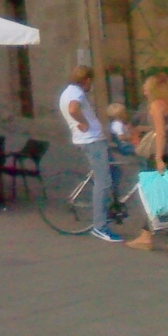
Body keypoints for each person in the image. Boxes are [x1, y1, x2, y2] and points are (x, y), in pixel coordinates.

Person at [126, 73, 168, 252]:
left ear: (154, 89)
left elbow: (161, 133)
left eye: (146, 87)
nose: (144, 90)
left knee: (152, 195)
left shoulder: (155, 105)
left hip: (165, 154)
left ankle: (146, 237)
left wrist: (158, 158)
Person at [58, 65, 122, 242]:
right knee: (103, 182)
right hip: (92, 141)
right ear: (86, 80)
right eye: (90, 82)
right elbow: (73, 109)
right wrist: (84, 122)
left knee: (114, 172)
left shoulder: (68, 91)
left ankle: (109, 207)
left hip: (92, 140)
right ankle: (100, 227)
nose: (91, 85)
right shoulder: (76, 92)